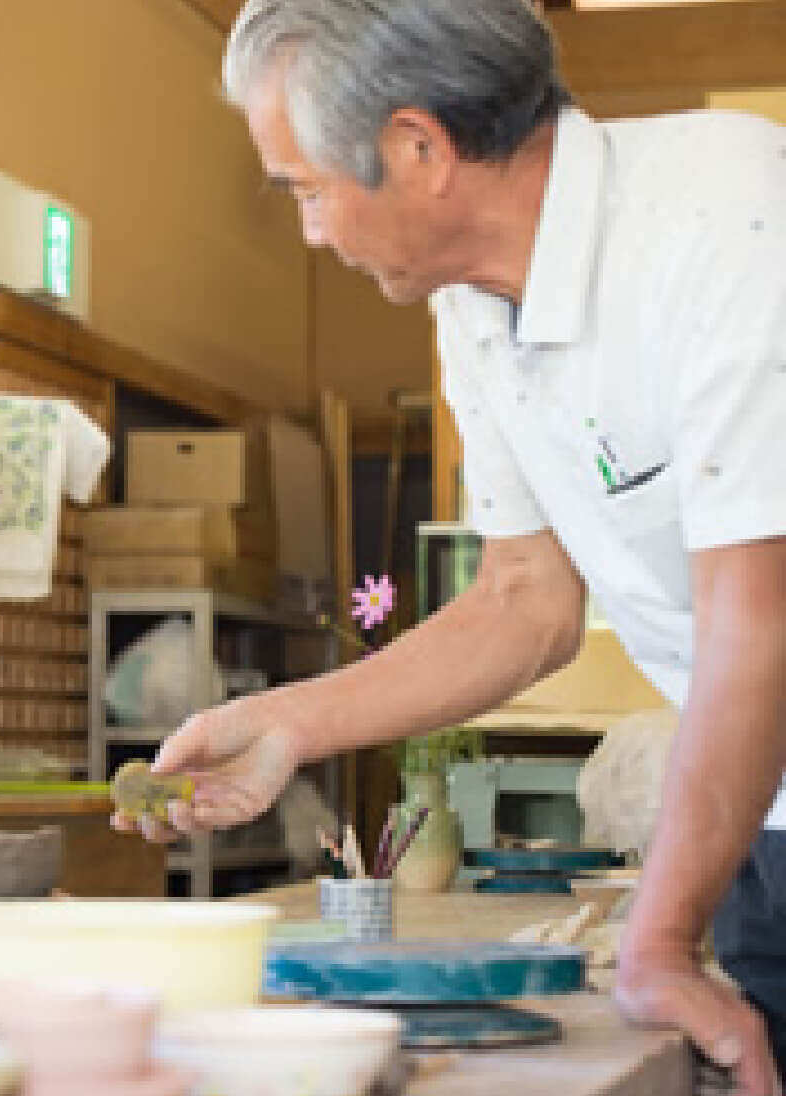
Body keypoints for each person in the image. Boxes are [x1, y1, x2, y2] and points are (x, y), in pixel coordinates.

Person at [122, 2, 786, 1092]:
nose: (308, 229)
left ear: (416, 149)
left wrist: (658, 942)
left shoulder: (727, 217)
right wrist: (281, 725)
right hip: (766, 819)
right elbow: (525, 600)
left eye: (304, 189)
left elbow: (756, 619)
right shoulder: (471, 309)